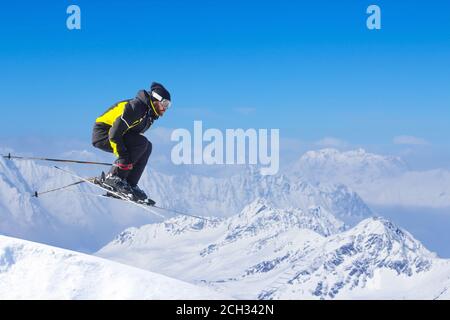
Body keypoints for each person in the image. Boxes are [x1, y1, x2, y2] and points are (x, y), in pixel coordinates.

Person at [91, 82, 171, 203]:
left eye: (169, 105)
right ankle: (113, 178)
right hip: (103, 132)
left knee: (147, 146)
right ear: (156, 99)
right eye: (165, 103)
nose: (166, 108)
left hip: (117, 134)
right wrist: (123, 156)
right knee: (142, 143)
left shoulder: (148, 115)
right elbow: (114, 133)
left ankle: (129, 184)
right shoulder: (136, 108)